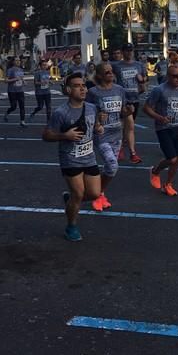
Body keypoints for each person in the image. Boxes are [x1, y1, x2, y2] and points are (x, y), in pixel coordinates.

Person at [42, 72, 104, 241]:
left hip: (89, 157)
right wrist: (65, 136)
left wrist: (99, 128)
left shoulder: (91, 107)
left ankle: (70, 200)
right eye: (77, 86)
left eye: (84, 85)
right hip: (70, 158)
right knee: (79, 193)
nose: (83, 88)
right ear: (68, 90)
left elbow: (96, 124)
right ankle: (71, 227)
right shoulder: (61, 112)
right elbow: (46, 135)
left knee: (94, 194)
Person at [144, 64, 178, 196]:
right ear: (167, 76)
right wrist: (159, 117)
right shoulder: (159, 90)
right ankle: (155, 171)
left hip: (177, 127)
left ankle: (168, 184)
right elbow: (147, 108)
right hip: (163, 128)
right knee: (172, 159)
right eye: (174, 76)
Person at [87, 63, 130, 210]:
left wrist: (128, 111)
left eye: (111, 71)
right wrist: (97, 118)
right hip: (102, 134)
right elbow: (86, 113)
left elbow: (123, 111)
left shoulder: (119, 90)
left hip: (117, 133)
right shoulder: (93, 92)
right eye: (107, 72)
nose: (111, 74)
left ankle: (100, 193)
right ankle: (97, 193)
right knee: (112, 165)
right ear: (99, 76)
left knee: (108, 167)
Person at [114, 43, 144, 164]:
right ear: (123, 52)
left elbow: (144, 79)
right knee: (129, 125)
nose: (129, 52)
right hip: (122, 99)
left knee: (128, 126)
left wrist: (142, 81)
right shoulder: (117, 66)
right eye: (126, 50)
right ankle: (132, 153)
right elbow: (110, 79)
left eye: (131, 50)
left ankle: (120, 146)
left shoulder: (139, 65)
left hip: (135, 98)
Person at [4, 57, 27, 127]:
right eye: (16, 60)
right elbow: (6, 80)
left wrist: (24, 81)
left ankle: (22, 121)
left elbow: (21, 78)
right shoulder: (10, 70)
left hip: (20, 90)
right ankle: (7, 113)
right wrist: (15, 79)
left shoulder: (21, 70)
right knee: (13, 106)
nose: (18, 62)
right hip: (12, 91)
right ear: (13, 62)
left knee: (22, 106)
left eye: (19, 60)